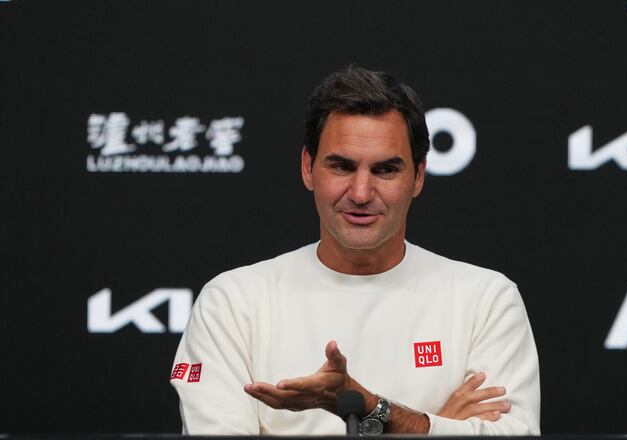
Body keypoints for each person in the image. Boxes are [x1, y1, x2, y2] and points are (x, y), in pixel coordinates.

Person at [170, 66, 540, 435]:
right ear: (308, 167)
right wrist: (429, 427)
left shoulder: (486, 300)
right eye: (342, 166)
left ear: (419, 176)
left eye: (385, 170)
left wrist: (370, 407)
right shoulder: (233, 302)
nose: (361, 193)